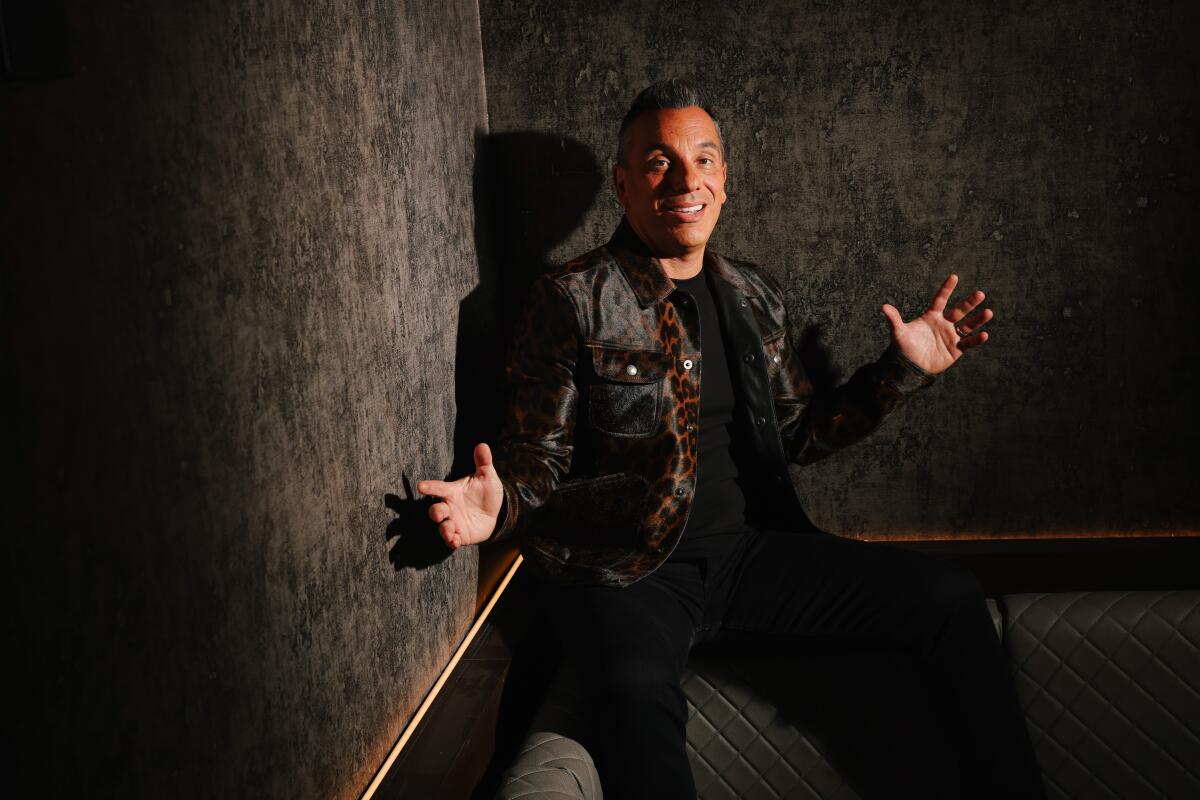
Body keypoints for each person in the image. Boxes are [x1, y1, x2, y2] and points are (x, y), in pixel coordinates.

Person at [417, 79, 1045, 799]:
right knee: (630, 689)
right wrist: (500, 505)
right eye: (659, 162)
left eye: (704, 159)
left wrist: (899, 373)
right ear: (623, 186)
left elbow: (800, 434)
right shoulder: (569, 299)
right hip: (627, 572)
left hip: (750, 558)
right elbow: (540, 458)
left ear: (724, 178)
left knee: (952, 599)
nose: (686, 180)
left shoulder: (753, 294)